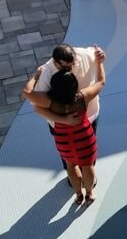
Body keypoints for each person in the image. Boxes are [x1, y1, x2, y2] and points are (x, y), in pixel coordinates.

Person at [23, 53, 106, 204]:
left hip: (63, 138)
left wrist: (36, 75)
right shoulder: (83, 96)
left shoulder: (50, 102)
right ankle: (89, 193)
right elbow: (101, 81)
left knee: (70, 164)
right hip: (84, 136)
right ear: (75, 84)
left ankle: (78, 194)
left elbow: (27, 92)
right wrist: (99, 62)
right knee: (87, 166)